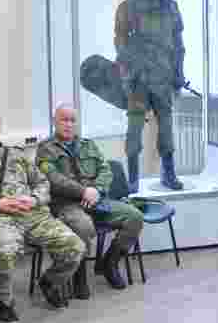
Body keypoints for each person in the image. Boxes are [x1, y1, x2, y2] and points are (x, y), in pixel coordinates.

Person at [0, 107, 86, 323]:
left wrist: (34, 199)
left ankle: (50, 281)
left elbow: (43, 183)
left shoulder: (17, 155)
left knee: (75, 248)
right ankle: (4, 301)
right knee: (3, 251)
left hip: (33, 215)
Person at [36, 103, 145, 298]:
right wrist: (83, 192)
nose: (68, 124)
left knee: (134, 217)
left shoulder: (88, 145)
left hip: (96, 200)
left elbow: (105, 170)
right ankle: (79, 276)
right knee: (84, 226)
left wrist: (96, 190)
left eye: (72, 120)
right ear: (55, 122)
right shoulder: (46, 149)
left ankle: (109, 264)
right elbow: (54, 179)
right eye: (64, 120)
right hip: (66, 204)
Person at [114, 0, 186, 192]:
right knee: (134, 129)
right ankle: (132, 178)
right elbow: (121, 44)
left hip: (163, 77)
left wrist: (178, 74)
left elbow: (178, 45)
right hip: (138, 78)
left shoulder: (170, 6)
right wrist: (128, 74)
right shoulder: (127, 7)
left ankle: (169, 174)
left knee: (166, 128)